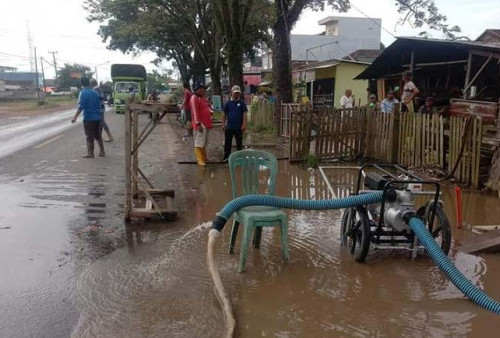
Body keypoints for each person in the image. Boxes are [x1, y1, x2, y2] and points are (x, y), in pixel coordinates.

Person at [71, 77, 105, 158]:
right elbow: (100, 104)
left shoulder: (83, 93)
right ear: (89, 83)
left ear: (81, 84)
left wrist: (75, 117)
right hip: (98, 117)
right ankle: (102, 151)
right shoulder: (95, 92)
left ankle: (90, 153)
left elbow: (81, 106)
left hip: (89, 118)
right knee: (98, 135)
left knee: (89, 136)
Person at [189, 81, 212, 166]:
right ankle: (200, 159)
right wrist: (198, 124)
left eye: (203, 89)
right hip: (201, 123)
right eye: (200, 89)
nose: (202, 90)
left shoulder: (202, 98)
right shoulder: (194, 98)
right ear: (196, 89)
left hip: (206, 123)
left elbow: (206, 108)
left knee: (204, 141)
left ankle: (204, 157)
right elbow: (195, 112)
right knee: (199, 141)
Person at [222, 85, 248, 161]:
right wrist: (223, 124)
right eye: (235, 93)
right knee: (228, 143)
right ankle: (226, 157)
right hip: (229, 127)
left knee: (239, 143)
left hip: (238, 127)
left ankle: (239, 157)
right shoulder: (227, 103)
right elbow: (224, 114)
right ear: (231, 93)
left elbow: (245, 114)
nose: (236, 94)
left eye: (238, 93)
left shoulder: (242, 103)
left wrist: (244, 124)